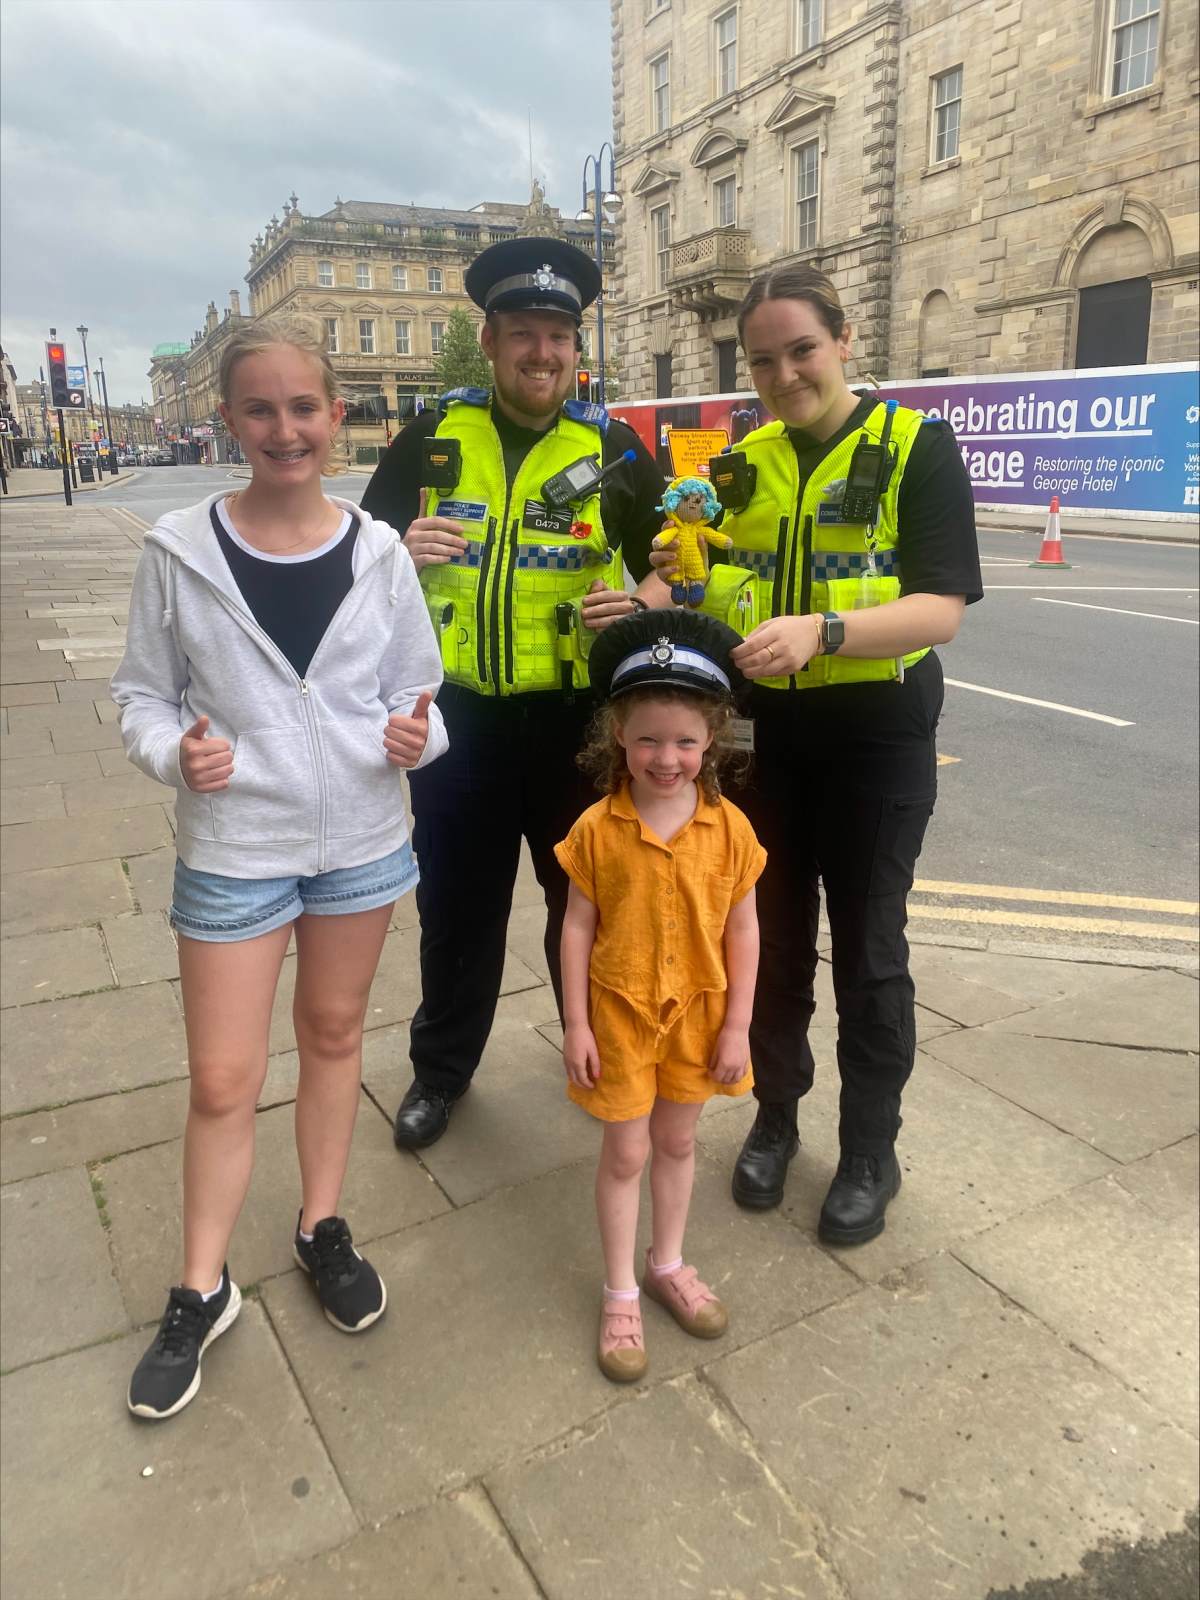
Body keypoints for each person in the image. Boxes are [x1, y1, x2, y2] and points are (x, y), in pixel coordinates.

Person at [111, 316, 447, 1420]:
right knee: (223, 1079)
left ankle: (320, 1225)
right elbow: (141, 695)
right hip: (235, 848)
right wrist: (176, 753)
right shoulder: (179, 552)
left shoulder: (381, 553)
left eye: (304, 407)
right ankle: (201, 1287)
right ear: (228, 418)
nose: (284, 428)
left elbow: (419, 690)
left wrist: (417, 737)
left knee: (336, 1038)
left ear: (336, 416)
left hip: (360, 844)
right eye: (260, 408)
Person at [650, 264, 982, 1245]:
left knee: (870, 955)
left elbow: (941, 610)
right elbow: (710, 584)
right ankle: (775, 1117)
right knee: (770, 941)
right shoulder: (740, 462)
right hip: (766, 742)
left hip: (876, 735)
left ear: (843, 339)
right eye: (762, 360)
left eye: (801, 350)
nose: (784, 374)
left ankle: (870, 1150)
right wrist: (666, 582)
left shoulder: (915, 445)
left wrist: (824, 631)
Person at [362, 237, 666, 1150]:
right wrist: (395, 553)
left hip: (577, 724)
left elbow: (679, 569)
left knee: (589, 904)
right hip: (456, 720)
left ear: (576, 349)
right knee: (458, 909)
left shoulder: (614, 449)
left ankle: (600, 1058)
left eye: (559, 337)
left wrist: (641, 601)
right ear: (490, 340)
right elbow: (350, 561)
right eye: (524, 333)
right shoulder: (429, 439)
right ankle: (441, 1073)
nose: (543, 353)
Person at [556, 610, 765, 1381]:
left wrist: (738, 1025)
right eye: (648, 739)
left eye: (683, 741)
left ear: (712, 739)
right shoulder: (596, 828)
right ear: (618, 734)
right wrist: (575, 1023)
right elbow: (576, 927)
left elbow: (744, 930)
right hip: (618, 1017)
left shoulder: (731, 830)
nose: (666, 758)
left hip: (700, 1018)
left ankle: (666, 1262)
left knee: (677, 1144)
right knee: (627, 1152)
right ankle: (620, 1293)